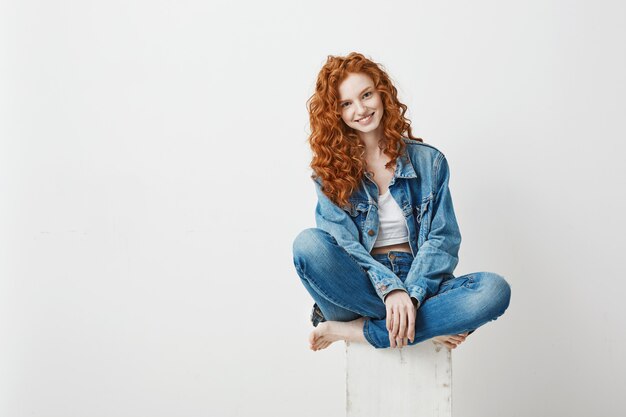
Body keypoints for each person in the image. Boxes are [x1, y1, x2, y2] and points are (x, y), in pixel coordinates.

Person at [292, 52, 511, 351]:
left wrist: (412, 293)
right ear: (335, 113)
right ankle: (426, 325)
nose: (361, 109)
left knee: (493, 290)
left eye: (366, 95)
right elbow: (344, 245)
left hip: (421, 280)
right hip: (359, 285)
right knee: (308, 245)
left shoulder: (429, 162)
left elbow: (442, 240)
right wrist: (390, 289)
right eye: (346, 103)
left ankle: (359, 331)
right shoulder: (328, 173)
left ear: (381, 94)